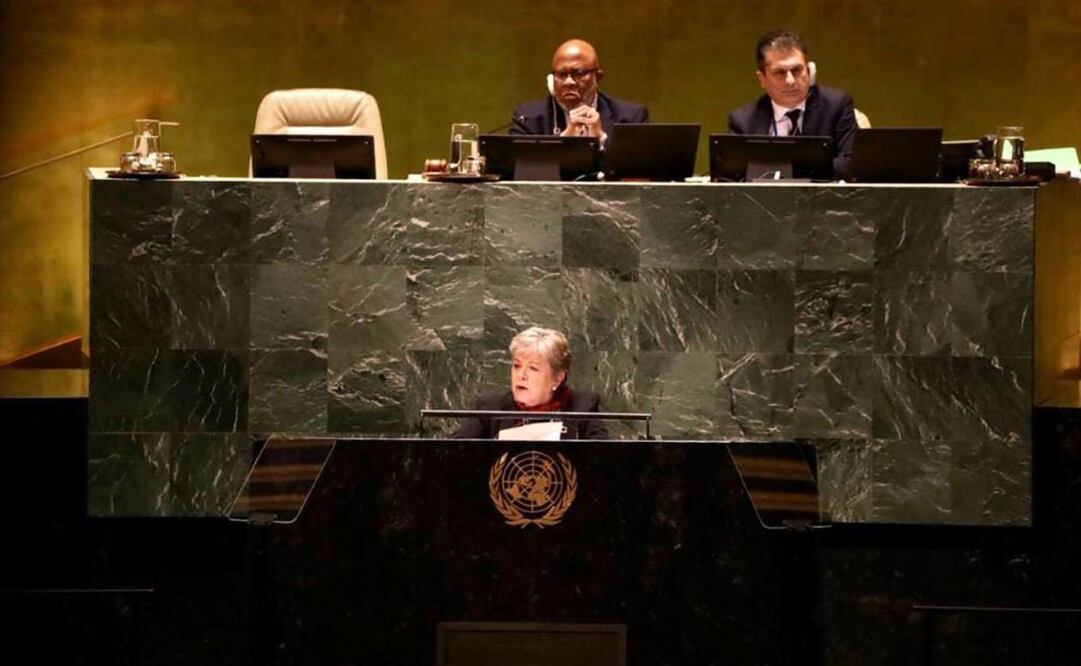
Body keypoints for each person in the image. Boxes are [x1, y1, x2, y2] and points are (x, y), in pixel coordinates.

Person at [727, 30, 857, 177]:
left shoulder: (836, 106)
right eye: (780, 73)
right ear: (762, 79)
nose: (790, 81)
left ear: (809, 71)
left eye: (796, 70)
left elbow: (850, 163)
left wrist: (787, 172)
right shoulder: (743, 121)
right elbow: (732, 176)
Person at [452, 326, 609, 440]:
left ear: (558, 377)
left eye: (533, 368)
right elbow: (451, 452)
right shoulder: (492, 408)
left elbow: (605, 461)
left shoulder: (582, 407)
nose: (521, 375)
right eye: (517, 365)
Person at [510, 39, 649, 144]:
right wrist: (563, 144)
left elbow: (642, 170)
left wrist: (602, 142)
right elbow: (520, 170)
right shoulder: (528, 118)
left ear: (598, 78)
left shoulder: (631, 119)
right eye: (561, 74)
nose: (568, 82)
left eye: (579, 73)